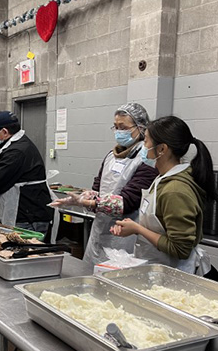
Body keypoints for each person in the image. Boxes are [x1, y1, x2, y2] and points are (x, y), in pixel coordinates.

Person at [110, 116, 218, 275]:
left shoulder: (175, 189)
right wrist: (134, 227)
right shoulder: (162, 178)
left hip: (176, 275)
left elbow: (180, 248)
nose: (143, 146)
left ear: (162, 149)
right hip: (158, 270)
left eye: (146, 141)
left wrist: (139, 229)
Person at [52, 103, 158, 265]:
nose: (118, 132)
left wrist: (85, 202)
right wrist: (82, 198)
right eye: (115, 127)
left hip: (124, 236)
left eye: (123, 127)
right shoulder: (111, 156)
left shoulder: (146, 160)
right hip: (100, 231)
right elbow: (98, 189)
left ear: (141, 128)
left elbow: (127, 203)